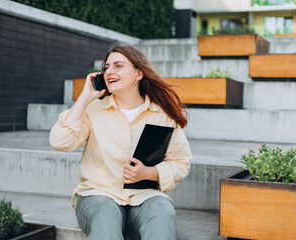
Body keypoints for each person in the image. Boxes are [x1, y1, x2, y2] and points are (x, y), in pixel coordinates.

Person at [49, 44, 192, 240]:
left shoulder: (161, 114)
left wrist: (149, 173)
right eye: (106, 67)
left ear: (138, 74)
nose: (109, 71)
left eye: (118, 66)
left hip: (144, 197)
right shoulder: (93, 110)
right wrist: (85, 97)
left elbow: (181, 161)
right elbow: (59, 141)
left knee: (161, 211)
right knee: (106, 216)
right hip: (98, 195)